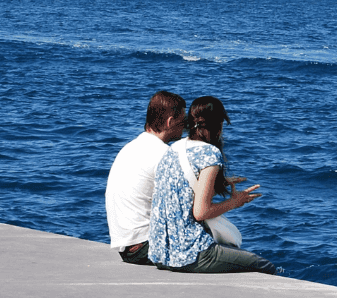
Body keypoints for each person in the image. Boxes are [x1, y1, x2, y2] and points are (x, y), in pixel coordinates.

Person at [148, 95, 274, 274]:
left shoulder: (174, 148)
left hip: (161, 253)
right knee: (265, 266)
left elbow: (182, 192)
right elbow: (201, 212)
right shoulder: (210, 154)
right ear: (219, 124)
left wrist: (218, 183)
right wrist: (236, 202)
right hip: (189, 254)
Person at [105, 90, 185, 264]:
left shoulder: (130, 148)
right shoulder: (164, 154)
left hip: (126, 246)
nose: (186, 127)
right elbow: (189, 208)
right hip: (146, 247)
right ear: (170, 122)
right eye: (183, 122)